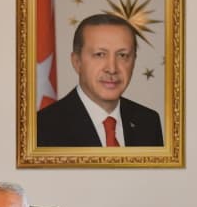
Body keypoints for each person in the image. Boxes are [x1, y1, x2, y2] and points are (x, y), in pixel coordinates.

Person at [35, 13, 163, 147]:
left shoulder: (148, 122)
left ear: (134, 61)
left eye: (122, 55)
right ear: (77, 62)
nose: (112, 69)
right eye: (100, 54)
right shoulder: (41, 128)